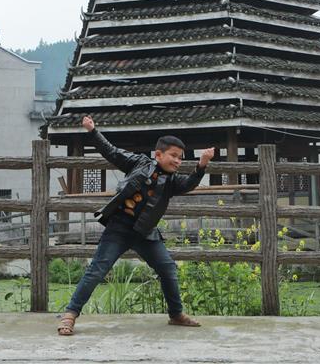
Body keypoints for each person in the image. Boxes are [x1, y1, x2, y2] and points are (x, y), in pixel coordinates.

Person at [57, 115, 214, 335]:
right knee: (97, 270)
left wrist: (201, 165)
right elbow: (111, 152)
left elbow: (189, 184)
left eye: (181, 158)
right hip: (118, 228)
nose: (178, 161)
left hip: (146, 233)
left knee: (167, 268)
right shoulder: (139, 163)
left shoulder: (172, 181)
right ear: (158, 154)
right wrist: (92, 131)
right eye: (173, 156)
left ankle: (176, 314)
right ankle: (70, 315)